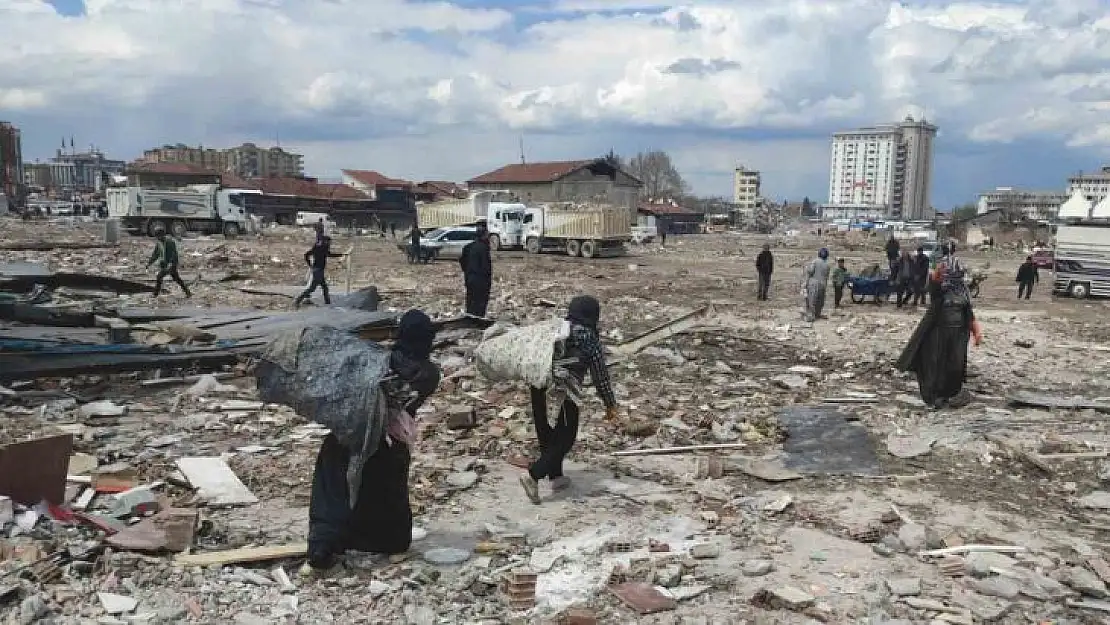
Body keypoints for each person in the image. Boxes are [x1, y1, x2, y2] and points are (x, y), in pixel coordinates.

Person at [304, 310, 441, 574]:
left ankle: (324, 545)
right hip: (391, 444)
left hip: (352, 433)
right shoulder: (429, 374)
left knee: (334, 486)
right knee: (386, 495)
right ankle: (385, 542)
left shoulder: (378, 362)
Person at [519, 296, 618, 505]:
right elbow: (600, 376)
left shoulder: (556, 329)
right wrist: (610, 403)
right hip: (562, 391)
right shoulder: (589, 337)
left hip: (538, 384)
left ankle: (555, 476)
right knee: (566, 437)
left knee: (547, 432)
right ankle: (533, 476)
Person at [896, 262, 982, 409]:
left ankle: (951, 394)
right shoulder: (939, 292)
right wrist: (937, 272)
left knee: (955, 365)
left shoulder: (963, 294)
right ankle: (934, 397)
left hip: (957, 336)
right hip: (938, 335)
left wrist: (977, 332)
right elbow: (934, 282)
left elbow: (969, 315)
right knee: (935, 366)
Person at [295, 236, 345, 308]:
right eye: (328, 242)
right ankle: (298, 300)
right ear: (325, 241)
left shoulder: (319, 247)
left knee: (324, 287)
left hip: (319, 270)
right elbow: (328, 254)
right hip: (318, 270)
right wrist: (310, 265)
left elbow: (307, 255)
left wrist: (310, 265)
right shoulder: (321, 248)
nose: (330, 243)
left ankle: (327, 302)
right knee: (313, 288)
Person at [460, 223, 492, 317]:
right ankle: (478, 321)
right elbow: (486, 267)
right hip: (481, 280)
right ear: (484, 235)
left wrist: (467, 272)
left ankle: (470, 319)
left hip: (469, 278)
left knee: (470, 301)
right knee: (480, 304)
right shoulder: (484, 248)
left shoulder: (467, 247)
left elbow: (462, 261)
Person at [147, 231, 191, 298]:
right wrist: (149, 263)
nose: (157, 238)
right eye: (156, 236)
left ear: (162, 235)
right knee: (177, 279)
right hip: (164, 264)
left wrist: (171, 264)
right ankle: (188, 292)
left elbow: (174, 254)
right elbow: (155, 255)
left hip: (171, 264)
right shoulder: (158, 243)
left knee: (159, 277)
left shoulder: (170, 242)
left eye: (158, 236)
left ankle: (155, 294)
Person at [802, 248, 831, 322]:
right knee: (820, 301)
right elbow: (827, 276)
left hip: (813, 283)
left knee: (811, 300)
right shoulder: (827, 265)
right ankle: (817, 314)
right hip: (823, 284)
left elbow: (811, 271)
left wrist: (806, 269)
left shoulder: (815, 261)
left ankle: (811, 315)